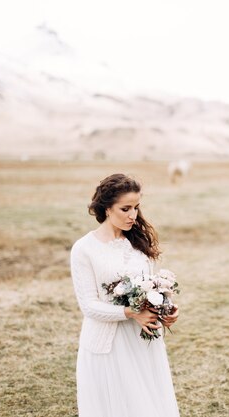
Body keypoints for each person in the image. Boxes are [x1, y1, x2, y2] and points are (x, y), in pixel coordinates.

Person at [70, 173, 180, 417]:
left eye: (137, 207)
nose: (133, 215)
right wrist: (132, 313)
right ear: (107, 208)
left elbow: (149, 287)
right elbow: (88, 306)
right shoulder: (84, 249)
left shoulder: (136, 242)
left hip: (143, 339)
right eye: (126, 208)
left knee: (147, 404)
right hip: (109, 344)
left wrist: (166, 309)